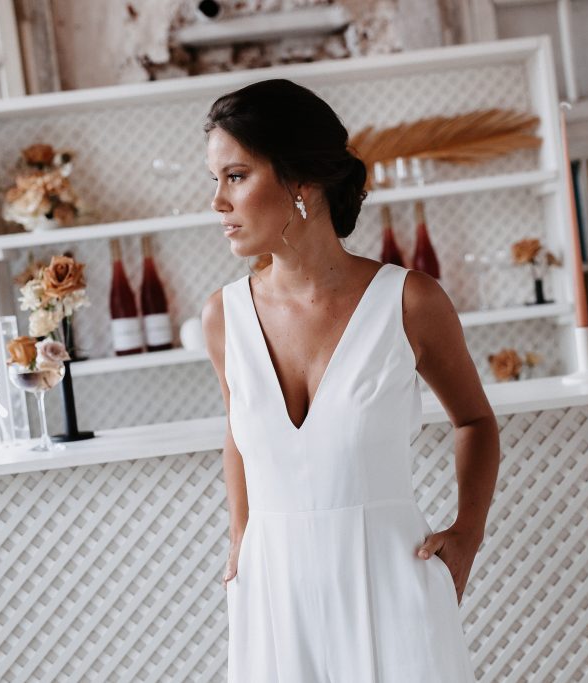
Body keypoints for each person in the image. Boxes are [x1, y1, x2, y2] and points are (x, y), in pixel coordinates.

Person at [200, 78, 500, 682]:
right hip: (273, 596)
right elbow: (240, 431)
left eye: (236, 176)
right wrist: (241, 534)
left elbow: (475, 421)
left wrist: (467, 533)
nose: (217, 202)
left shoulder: (410, 301)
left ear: (301, 180)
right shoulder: (223, 316)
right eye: (216, 180)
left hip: (392, 586)